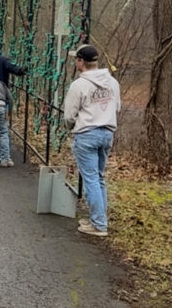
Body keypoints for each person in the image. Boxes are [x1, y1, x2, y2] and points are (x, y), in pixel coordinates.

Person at [63, 44, 121, 237]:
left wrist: (71, 127)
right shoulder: (112, 82)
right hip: (107, 133)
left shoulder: (79, 85)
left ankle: (99, 224)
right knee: (99, 177)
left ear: (81, 62)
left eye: (76, 60)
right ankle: (99, 218)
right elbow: (117, 107)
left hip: (87, 134)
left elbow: (69, 115)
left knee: (90, 179)